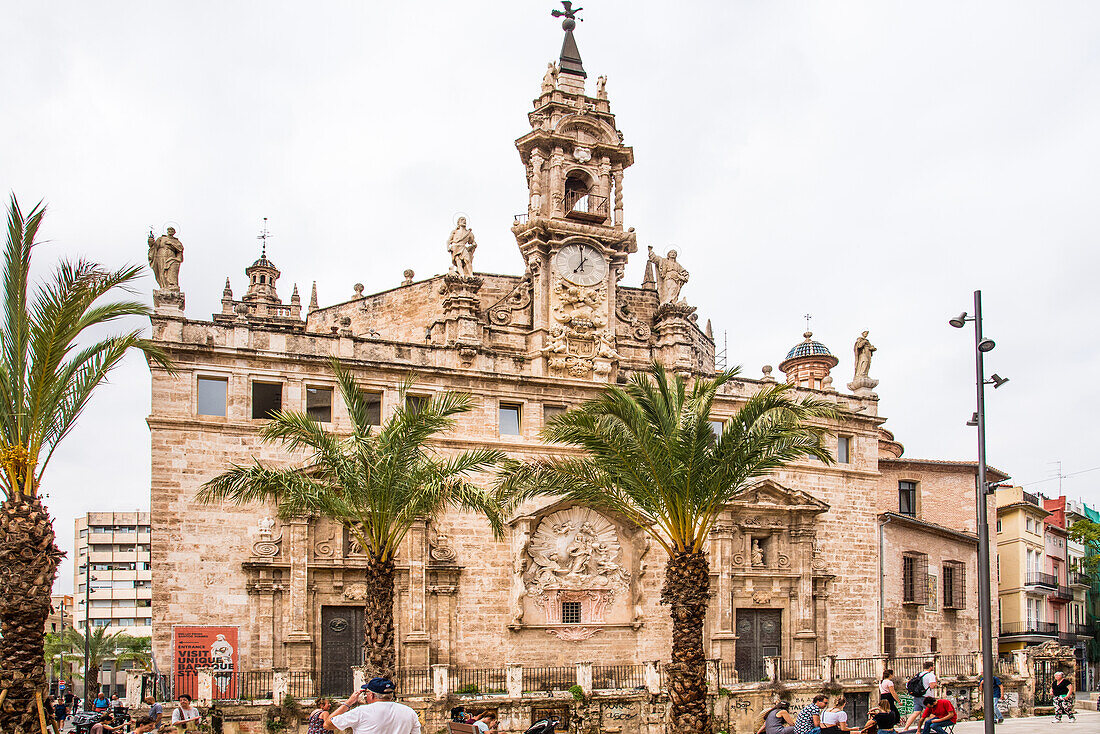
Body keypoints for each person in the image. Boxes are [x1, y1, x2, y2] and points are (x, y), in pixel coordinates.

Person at [325, 677, 421, 734]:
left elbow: (327, 724)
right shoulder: (409, 712)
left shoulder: (361, 712)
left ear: (372, 695)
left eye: (366, 693)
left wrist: (348, 703)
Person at [902, 662, 937, 731]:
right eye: (933, 666)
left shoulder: (919, 674)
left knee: (916, 712)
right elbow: (932, 686)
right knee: (932, 713)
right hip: (926, 697)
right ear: (930, 667)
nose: (934, 667)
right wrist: (936, 684)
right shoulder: (931, 675)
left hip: (917, 696)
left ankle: (906, 728)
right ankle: (933, 728)